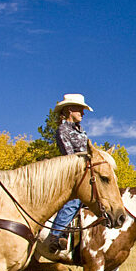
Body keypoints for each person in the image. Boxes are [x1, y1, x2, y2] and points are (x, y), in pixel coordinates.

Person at [48, 93, 92, 253]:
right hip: (73, 173)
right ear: (69, 110)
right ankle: (55, 234)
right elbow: (69, 157)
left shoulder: (81, 131)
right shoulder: (63, 130)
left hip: (86, 172)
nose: (83, 113)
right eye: (80, 109)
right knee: (74, 201)